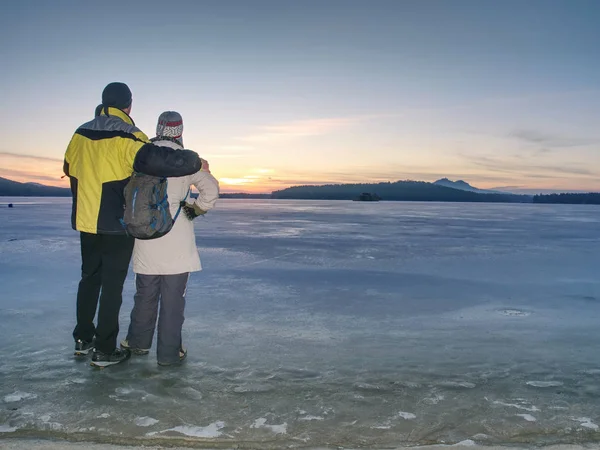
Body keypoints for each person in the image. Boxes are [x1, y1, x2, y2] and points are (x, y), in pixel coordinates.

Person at [63, 83, 203, 368]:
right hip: (116, 222)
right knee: (112, 287)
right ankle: (104, 349)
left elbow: (68, 167)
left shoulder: (79, 133)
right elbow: (157, 161)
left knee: (89, 278)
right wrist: (194, 161)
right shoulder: (129, 135)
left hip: (85, 219)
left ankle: (82, 339)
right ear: (128, 106)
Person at [121, 111, 219, 366]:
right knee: (173, 301)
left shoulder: (141, 156)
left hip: (145, 238)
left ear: (158, 128)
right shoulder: (186, 162)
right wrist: (196, 209)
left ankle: (138, 343)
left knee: (145, 295)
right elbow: (211, 190)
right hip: (176, 242)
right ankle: (168, 353)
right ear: (180, 132)